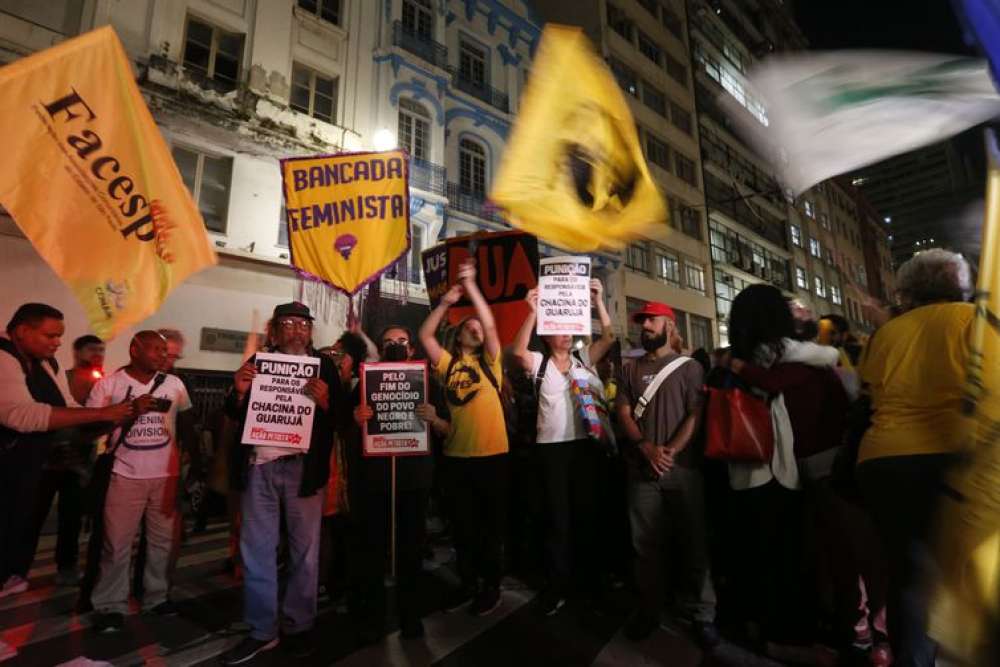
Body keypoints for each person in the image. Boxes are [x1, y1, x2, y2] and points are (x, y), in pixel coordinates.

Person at [726, 285, 863, 661]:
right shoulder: (790, 359)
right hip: (783, 470)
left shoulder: (737, 359)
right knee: (803, 553)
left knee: (763, 553)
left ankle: (763, 625)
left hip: (745, 468)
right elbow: (815, 362)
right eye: (788, 309)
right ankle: (803, 634)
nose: (798, 314)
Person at [855, 249, 975, 667]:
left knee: (906, 575)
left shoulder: (885, 334)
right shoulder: (974, 322)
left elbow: (867, 393)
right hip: (954, 458)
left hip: (885, 462)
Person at [0, 304, 133, 662]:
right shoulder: (3, 357)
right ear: (22, 331)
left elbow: (67, 407)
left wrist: (112, 419)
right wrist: (102, 413)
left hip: (25, 468)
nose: (57, 342)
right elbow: (20, 414)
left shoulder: (47, 364)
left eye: (60, 335)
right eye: (50, 335)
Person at [220, 302, 340, 665]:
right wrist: (238, 392)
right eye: (288, 323)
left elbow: (342, 418)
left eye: (303, 324)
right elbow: (232, 412)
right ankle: (262, 629)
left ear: (311, 330)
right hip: (260, 468)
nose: (296, 330)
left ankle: (299, 624)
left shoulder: (325, 366)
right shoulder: (258, 362)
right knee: (256, 551)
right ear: (275, 329)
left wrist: (326, 402)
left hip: (304, 471)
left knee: (305, 553)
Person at [510, 279, 615, 615]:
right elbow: (516, 351)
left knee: (587, 514)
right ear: (548, 334)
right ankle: (556, 586)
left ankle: (588, 582)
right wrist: (532, 311)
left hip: (585, 448)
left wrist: (598, 301)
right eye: (559, 329)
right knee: (557, 520)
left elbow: (609, 338)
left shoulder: (584, 359)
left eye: (571, 329)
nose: (567, 334)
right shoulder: (539, 363)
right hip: (551, 451)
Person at [615, 301, 718, 646]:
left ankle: (703, 614)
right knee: (644, 545)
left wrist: (669, 451)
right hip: (642, 470)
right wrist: (646, 447)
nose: (644, 325)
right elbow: (624, 413)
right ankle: (649, 609)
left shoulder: (689, 368)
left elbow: (695, 414)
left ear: (669, 326)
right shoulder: (628, 369)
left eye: (651, 320)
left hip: (682, 470)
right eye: (642, 321)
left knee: (694, 543)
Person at [87, 331, 194, 632]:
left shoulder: (174, 384)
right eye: (156, 349)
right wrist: (129, 412)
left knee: (161, 543)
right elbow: (90, 430)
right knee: (117, 543)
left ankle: (156, 598)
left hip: (166, 476)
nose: (163, 355)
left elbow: (187, 423)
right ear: (135, 349)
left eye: (166, 351)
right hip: (124, 474)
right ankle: (110, 606)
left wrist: (192, 464)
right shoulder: (109, 385)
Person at [419, 259, 509, 617]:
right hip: (457, 457)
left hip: (493, 458)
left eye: (478, 327)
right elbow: (425, 336)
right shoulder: (449, 365)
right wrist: (445, 303)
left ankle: (491, 586)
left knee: (489, 529)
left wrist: (471, 287)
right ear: (457, 336)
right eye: (468, 326)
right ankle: (469, 582)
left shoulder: (491, 361)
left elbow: (489, 321)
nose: (476, 329)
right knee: (464, 529)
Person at [350, 325, 446, 640]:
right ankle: (375, 614)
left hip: (414, 480)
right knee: (373, 550)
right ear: (380, 346)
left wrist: (436, 418)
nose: (395, 345)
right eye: (388, 341)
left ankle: (410, 615)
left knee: (410, 550)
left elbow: (449, 429)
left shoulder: (428, 382)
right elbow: (344, 427)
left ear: (411, 349)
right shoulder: (366, 381)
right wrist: (355, 418)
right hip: (375, 482)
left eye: (401, 341)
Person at [28, 334, 106, 587]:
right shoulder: (62, 380)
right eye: (92, 349)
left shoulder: (104, 384)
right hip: (47, 460)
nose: (98, 354)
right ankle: (16, 567)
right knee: (31, 516)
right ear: (77, 352)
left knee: (71, 517)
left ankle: (67, 567)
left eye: (102, 350)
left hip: (80, 463)